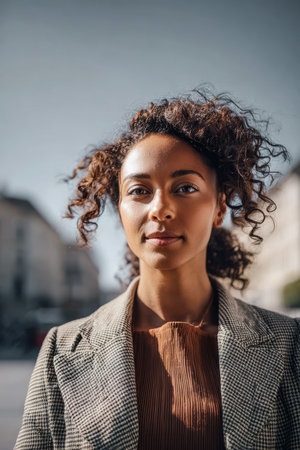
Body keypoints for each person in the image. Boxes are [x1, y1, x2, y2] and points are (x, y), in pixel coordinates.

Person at [15, 90, 300, 449]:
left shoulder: (291, 343)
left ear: (218, 207)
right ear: (120, 209)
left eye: (185, 187)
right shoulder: (62, 348)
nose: (160, 209)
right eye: (139, 190)